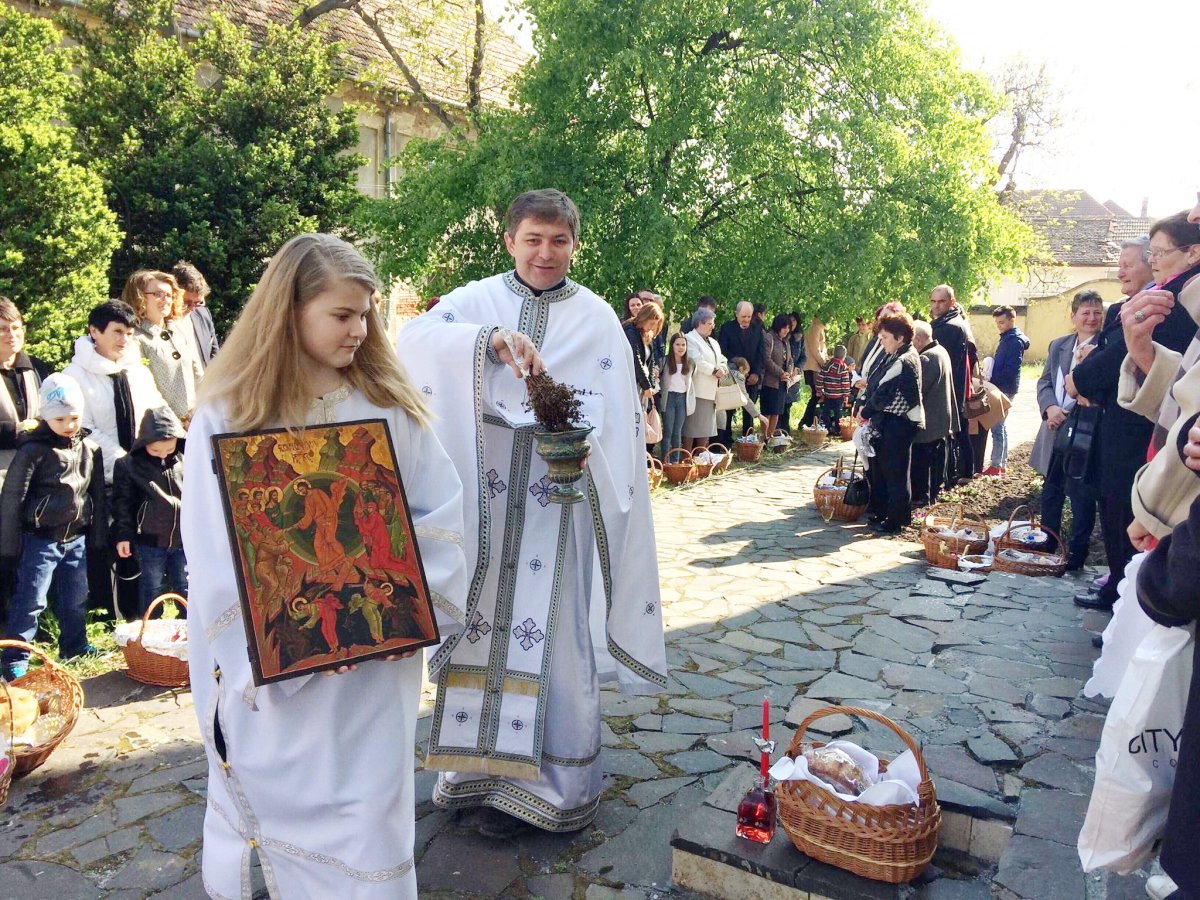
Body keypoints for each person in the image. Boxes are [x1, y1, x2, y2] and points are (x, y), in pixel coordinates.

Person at [181, 233, 469, 897]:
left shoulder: (386, 404)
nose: (360, 329)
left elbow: (441, 514)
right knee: (293, 818)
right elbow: (212, 545)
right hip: (281, 677)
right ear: (290, 311)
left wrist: (397, 615)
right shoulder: (229, 414)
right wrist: (290, 640)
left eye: (366, 314)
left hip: (375, 672)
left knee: (373, 817)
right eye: (342, 315)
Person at [394, 190, 667, 836]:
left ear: (575, 244)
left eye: (559, 241)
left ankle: (552, 787)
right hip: (487, 511)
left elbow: (620, 426)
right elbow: (413, 341)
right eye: (534, 239)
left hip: (556, 510)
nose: (546, 253)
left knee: (554, 638)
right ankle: (474, 774)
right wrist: (486, 344)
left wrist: (580, 443)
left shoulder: (599, 319)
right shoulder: (475, 302)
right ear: (510, 241)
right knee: (481, 629)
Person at [1069, 222, 1199, 611]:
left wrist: (1084, 380)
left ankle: (1127, 596)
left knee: (1128, 524)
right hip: (1142, 432)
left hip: (1144, 443)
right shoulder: (1168, 297)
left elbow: (1177, 396)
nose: (1125, 270)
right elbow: (1171, 383)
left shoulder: (1174, 299)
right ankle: (1123, 593)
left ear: (1192, 253)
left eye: (1157, 254)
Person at [65, 300, 169, 620]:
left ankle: (150, 612)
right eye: (116, 332)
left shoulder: (136, 370)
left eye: (128, 332)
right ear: (94, 332)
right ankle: (118, 613)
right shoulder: (74, 376)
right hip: (106, 477)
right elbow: (84, 428)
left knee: (147, 544)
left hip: (143, 471)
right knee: (116, 545)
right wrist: (122, 461)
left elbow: (156, 412)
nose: (124, 339)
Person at [0, 374, 105, 678]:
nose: (69, 424)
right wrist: (10, 547)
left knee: (75, 598)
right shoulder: (32, 450)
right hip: (40, 539)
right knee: (31, 599)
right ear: (46, 417)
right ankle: (15, 656)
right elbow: (13, 498)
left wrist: (97, 537)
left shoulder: (90, 448)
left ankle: (74, 644)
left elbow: (96, 495)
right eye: (60, 418)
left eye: (74, 417)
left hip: (76, 538)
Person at [1029, 290, 1103, 570]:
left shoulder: (1106, 346)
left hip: (1084, 430)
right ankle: (1049, 541)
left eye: (1097, 313)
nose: (1091, 318)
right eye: (1085, 313)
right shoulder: (1058, 345)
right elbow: (1045, 382)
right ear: (1073, 317)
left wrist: (1069, 411)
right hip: (1054, 426)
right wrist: (1050, 409)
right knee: (1051, 490)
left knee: (1081, 494)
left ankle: (1076, 553)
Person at [112, 407, 188, 614]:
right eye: (155, 450)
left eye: (169, 449)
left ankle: (190, 632)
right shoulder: (129, 466)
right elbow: (122, 505)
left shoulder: (186, 459)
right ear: (144, 442)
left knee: (186, 586)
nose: (163, 454)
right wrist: (123, 535)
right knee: (151, 588)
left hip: (183, 539)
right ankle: (150, 633)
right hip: (149, 540)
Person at [859, 312, 923, 536]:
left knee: (896, 471)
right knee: (887, 469)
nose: (881, 341)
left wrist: (865, 411)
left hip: (901, 422)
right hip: (890, 421)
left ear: (900, 338)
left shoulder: (904, 360)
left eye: (885, 337)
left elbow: (883, 392)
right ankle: (887, 513)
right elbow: (875, 383)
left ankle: (897, 520)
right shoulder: (894, 355)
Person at [123, 270, 205, 422]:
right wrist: (174, 422)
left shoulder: (178, 331)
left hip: (194, 423)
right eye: (158, 294)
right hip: (160, 429)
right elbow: (144, 390)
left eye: (169, 295)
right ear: (138, 297)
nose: (165, 299)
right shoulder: (133, 338)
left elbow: (198, 376)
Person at [930, 285, 976, 486]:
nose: (936, 306)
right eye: (933, 301)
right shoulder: (952, 322)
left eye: (941, 301)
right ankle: (966, 471)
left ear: (951, 302)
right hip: (956, 386)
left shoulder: (950, 326)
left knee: (952, 433)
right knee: (959, 431)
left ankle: (957, 474)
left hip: (951, 388)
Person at [911, 321, 957, 506]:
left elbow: (917, 391)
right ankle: (928, 497)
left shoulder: (926, 358)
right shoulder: (941, 351)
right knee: (932, 465)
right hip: (940, 420)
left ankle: (922, 500)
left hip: (929, 423)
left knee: (923, 466)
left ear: (919, 339)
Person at [980, 306, 1029, 476]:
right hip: (1003, 386)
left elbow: (1011, 368)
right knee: (1000, 425)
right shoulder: (1008, 338)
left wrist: (994, 381)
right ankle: (1001, 463)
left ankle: (996, 464)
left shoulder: (1014, 341)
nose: (999, 326)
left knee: (996, 426)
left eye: (1002, 322)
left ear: (1011, 320)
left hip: (1004, 387)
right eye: (997, 323)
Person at [717, 301, 765, 440]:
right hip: (731, 375)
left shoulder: (757, 329)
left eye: (749, 317)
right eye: (743, 316)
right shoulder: (727, 328)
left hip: (752, 376)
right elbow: (723, 351)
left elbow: (760, 353)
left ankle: (748, 439)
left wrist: (755, 373)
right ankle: (725, 439)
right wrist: (736, 368)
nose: (746, 320)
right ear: (736, 314)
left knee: (749, 409)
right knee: (729, 409)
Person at [685, 308, 730, 452]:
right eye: (710, 323)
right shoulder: (689, 338)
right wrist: (714, 370)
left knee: (706, 429)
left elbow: (722, 358)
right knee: (691, 428)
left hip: (711, 391)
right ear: (700, 323)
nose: (713, 326)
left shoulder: (713, 341)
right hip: (697, 390)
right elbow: (696, 360)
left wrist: (723, 367)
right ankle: (687, 458)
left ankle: (701, 458)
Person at [624, 304, 665, 453]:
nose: (652, 327)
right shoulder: (630, 331)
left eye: (655, 325)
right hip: (632, 384)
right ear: (644, 317)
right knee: (633, 421)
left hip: (643, 385)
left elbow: (651, 360)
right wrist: (647, 385)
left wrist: (651, 385)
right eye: (651, 323)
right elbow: (636, 360)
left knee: (640, 421)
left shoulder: (646, 335)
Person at [172, 261, 220, 368]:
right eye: (187, 302)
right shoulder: (161, 321)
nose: (192, 308)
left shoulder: (203, 314)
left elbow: (215, 355)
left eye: (198, 302)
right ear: (174, 294)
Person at [658, 332, 694, 461]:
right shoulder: (664, 361)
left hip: (682, 399)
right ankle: (665, 461)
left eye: (683, 345)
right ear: (672, 345)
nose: (681, 347)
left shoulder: (690, 363)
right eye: (677, 344)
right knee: (667, 431)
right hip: (669, 398)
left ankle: (675, 461)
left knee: (677, 432)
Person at [760, 314, 794, 441]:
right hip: (770, 382)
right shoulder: (769, 338)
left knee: (777, 411)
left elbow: (790, 360)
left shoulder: (786, 341)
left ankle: (771, 436)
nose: (786, 330)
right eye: (784, 327)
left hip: (783, 383)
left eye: (788, 328)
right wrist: (780, 373)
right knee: (768, 411)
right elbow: (767, 359)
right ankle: (764, 437)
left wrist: (789, 372)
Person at [815, 344, 852, 434]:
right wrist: (846, 395)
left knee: (825, 412)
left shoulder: (826, 365)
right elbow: (845, 384)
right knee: (838, 414)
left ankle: (828, 428)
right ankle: (838, 429)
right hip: (838, 397)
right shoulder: (843, 368)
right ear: (844, 356)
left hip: (827, 395)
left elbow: (819, 379)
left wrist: (819, 392)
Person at [800, 315, 828, 427]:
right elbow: (814, 348)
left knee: (816, 395)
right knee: (817, 394)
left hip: (815, 366)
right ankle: (806, 421)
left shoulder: (819, 327)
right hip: (813, 366)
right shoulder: (815, 327)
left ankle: (809, 420)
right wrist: (823, 363)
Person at [781, 312, 806, 434]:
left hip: (794, 376)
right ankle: (779, 428)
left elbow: (803, 356)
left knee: (788, 404)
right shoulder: (782, 336)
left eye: (794, 321)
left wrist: (797, 368)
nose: (792, 323)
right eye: (790, 321)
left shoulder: (800, 337)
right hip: (782, 373)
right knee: (780, 403)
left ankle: (785, 428)